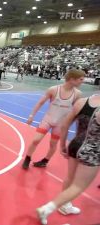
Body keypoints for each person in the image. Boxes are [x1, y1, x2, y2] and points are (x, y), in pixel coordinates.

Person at [36, 95, 100, 225]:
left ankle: (65, 206)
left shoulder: (82, 101)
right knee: (78, 186)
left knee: (70, 178)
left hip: (75, 144)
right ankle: (47, 209)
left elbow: (65, 124)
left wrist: (62, 145)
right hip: (91, 151)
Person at [22, 69, 85, 169]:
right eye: (81, 79)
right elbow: (40, 103)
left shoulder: (77, 94)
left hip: (60, 124)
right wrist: (31, 116)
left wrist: (73, 126)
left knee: (53, 144)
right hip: (48, 120)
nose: (83, 81)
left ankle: (45, 161)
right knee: (36, 140)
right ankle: (27, 158)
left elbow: (76, 112)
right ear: (72, 79)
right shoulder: (54, 89)